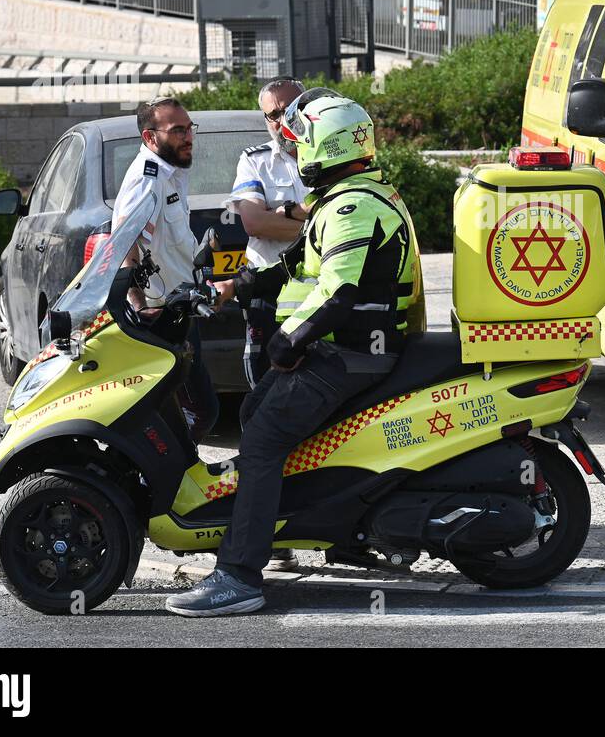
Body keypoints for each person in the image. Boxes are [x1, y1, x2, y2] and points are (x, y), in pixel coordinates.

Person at [165, 89, 425, 617]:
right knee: (258, 410)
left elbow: (339, 292)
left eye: (303, 140)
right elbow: (294, 267)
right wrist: (234, 287)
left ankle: (239, 574)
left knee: (262, 436)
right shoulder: (350, 198)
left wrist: (290, 342)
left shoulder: (352, 207)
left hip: (353, 353)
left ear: (323, 147)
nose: (296, 147)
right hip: (350, 349)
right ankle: (296, 527)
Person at [112, 96, 219, 443]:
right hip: (162, 319)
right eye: (177, 131)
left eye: (189, 128)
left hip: (180, 310)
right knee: (195, 411)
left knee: (190, 412)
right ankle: (156, 483)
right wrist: (142, 309)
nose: (188, 137)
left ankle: (169, 480)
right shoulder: (148, 179)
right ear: (150, 137)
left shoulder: (172, 173)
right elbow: (123, 245)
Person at [225, 78, 309, 391]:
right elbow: (254, 223)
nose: (281, 120)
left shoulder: (333, 157)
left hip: (323, 292)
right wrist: (319, 225)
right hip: (269, 292)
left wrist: (280, 215)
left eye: (289, 110)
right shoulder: (255, 161)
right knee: (267, 385)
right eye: (272, 115)